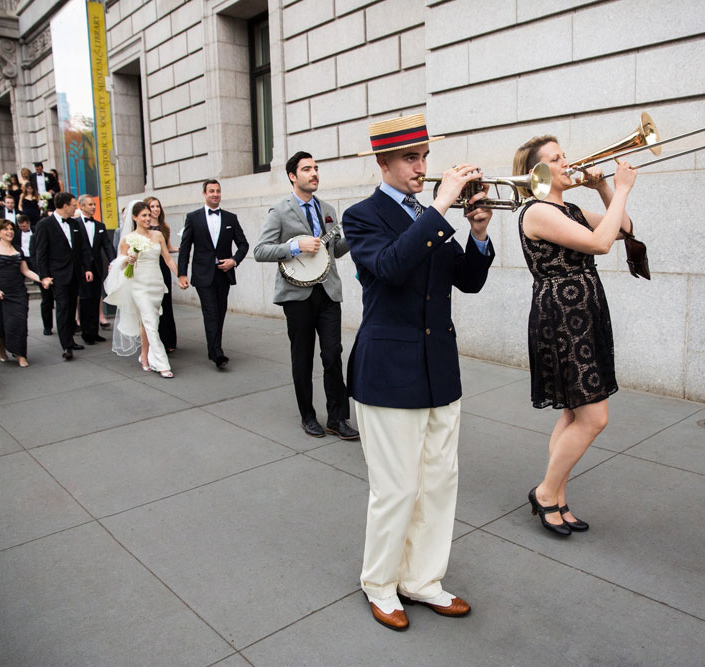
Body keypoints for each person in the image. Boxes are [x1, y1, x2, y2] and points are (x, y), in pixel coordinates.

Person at [343, 113, 495, 631]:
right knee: (396, 488)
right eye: (412, 158)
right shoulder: (361, 216)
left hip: (438, 370)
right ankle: (380, 583)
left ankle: (422, 580)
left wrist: (476, 233)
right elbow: (388, 268)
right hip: (386, 373)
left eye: (425, 157)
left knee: (437, 484)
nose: (422, 167)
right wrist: (441, 206)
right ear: (383, 163)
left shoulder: (429, 215)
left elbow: (466, 282)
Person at [512, 135, 637, 536]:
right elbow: (601, 244)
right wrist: (621, 188)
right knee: (594, 417)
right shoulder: (536, 212)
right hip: (562, 317)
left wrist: (604, 187)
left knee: (574, 412)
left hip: (584, 312)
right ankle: (546, 493)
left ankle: (559, 498)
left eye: (564, 155)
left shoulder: (569, 209)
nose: (567, 163)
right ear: (538, 173)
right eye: (556, 159)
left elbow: (624, 229)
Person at [254, 151, 359, 440]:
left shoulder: (327, 210)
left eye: (316, 168)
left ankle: (337, 418)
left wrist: (353, 234)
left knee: (333, 354)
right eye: (306, 169)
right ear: (292, 176)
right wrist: (295, 247)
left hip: (328, 292)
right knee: (302, 357)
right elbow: (260, 251)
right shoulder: (279, 210)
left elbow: (335, 250)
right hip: (296, 295)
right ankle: (308, 416)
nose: (314, 173)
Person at [177, 179, 249, 369]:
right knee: (210, 313)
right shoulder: (193, 218)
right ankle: (217, 353)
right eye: (211, 191)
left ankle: (213, 348)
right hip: (202, 274)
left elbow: (243, 244)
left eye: (218, 191)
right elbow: (185, 248)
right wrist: (181, 273)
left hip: (223, 274)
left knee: (220, 312)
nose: (215, 194)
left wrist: (234, 260)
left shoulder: (230, 218)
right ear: (204, 194)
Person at [104, 200, 179, 378]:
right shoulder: (127, 239)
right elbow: (119, 263)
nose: (147, 218)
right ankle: (162, 364)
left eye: (148, 215)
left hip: (156, 284)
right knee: (151, 324)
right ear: (134, 217)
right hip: (139, 286)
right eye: (143, 215)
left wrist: (180, 276)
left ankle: (145, 357)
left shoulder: (158, 235)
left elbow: (167, 259)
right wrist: (128, 260)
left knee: (149, 322)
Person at [34, 191, 93, 360]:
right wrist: (44, 276)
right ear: (65, 206)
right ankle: (66, 346)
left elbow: (83, 248)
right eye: (74, 204)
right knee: (63, 308)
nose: (76, 207)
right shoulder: (45, 225)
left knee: (70, 308)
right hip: (58, 275)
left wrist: (87, 268)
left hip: (74, 274)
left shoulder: (74, 224)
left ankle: (71, 340)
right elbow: (41, 253)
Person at [0, 219, 41, 367]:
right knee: (2, 322)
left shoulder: (18, 250)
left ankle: (20, 354)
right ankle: (1, 346)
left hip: (18, 291)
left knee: (19, 323)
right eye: (6, 229)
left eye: (11, 229)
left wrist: (42, 279)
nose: (10, 231)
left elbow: (25, 271)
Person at [75, 194, 114, 345]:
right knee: (85, 300)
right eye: (90, 204)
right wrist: (83, 268)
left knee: (95, 298)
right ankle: (87, 333)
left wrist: (113, 261)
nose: (93, 207)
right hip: (83, 269)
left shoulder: (100, 226)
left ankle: (95, 331)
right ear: (82, 206)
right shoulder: (76, 224)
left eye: (94, 205)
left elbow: (107, 245)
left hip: (97, 268)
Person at [145, 196, 177, 352]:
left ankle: (169, 340)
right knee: (153, 305)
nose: (156, 209)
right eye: (152, 206)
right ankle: (155, 341)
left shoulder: (165, 226)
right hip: (149, 268)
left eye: (157, 206)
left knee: (166, 303)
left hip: (163, 267)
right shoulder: (142, 229)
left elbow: (169, 248)